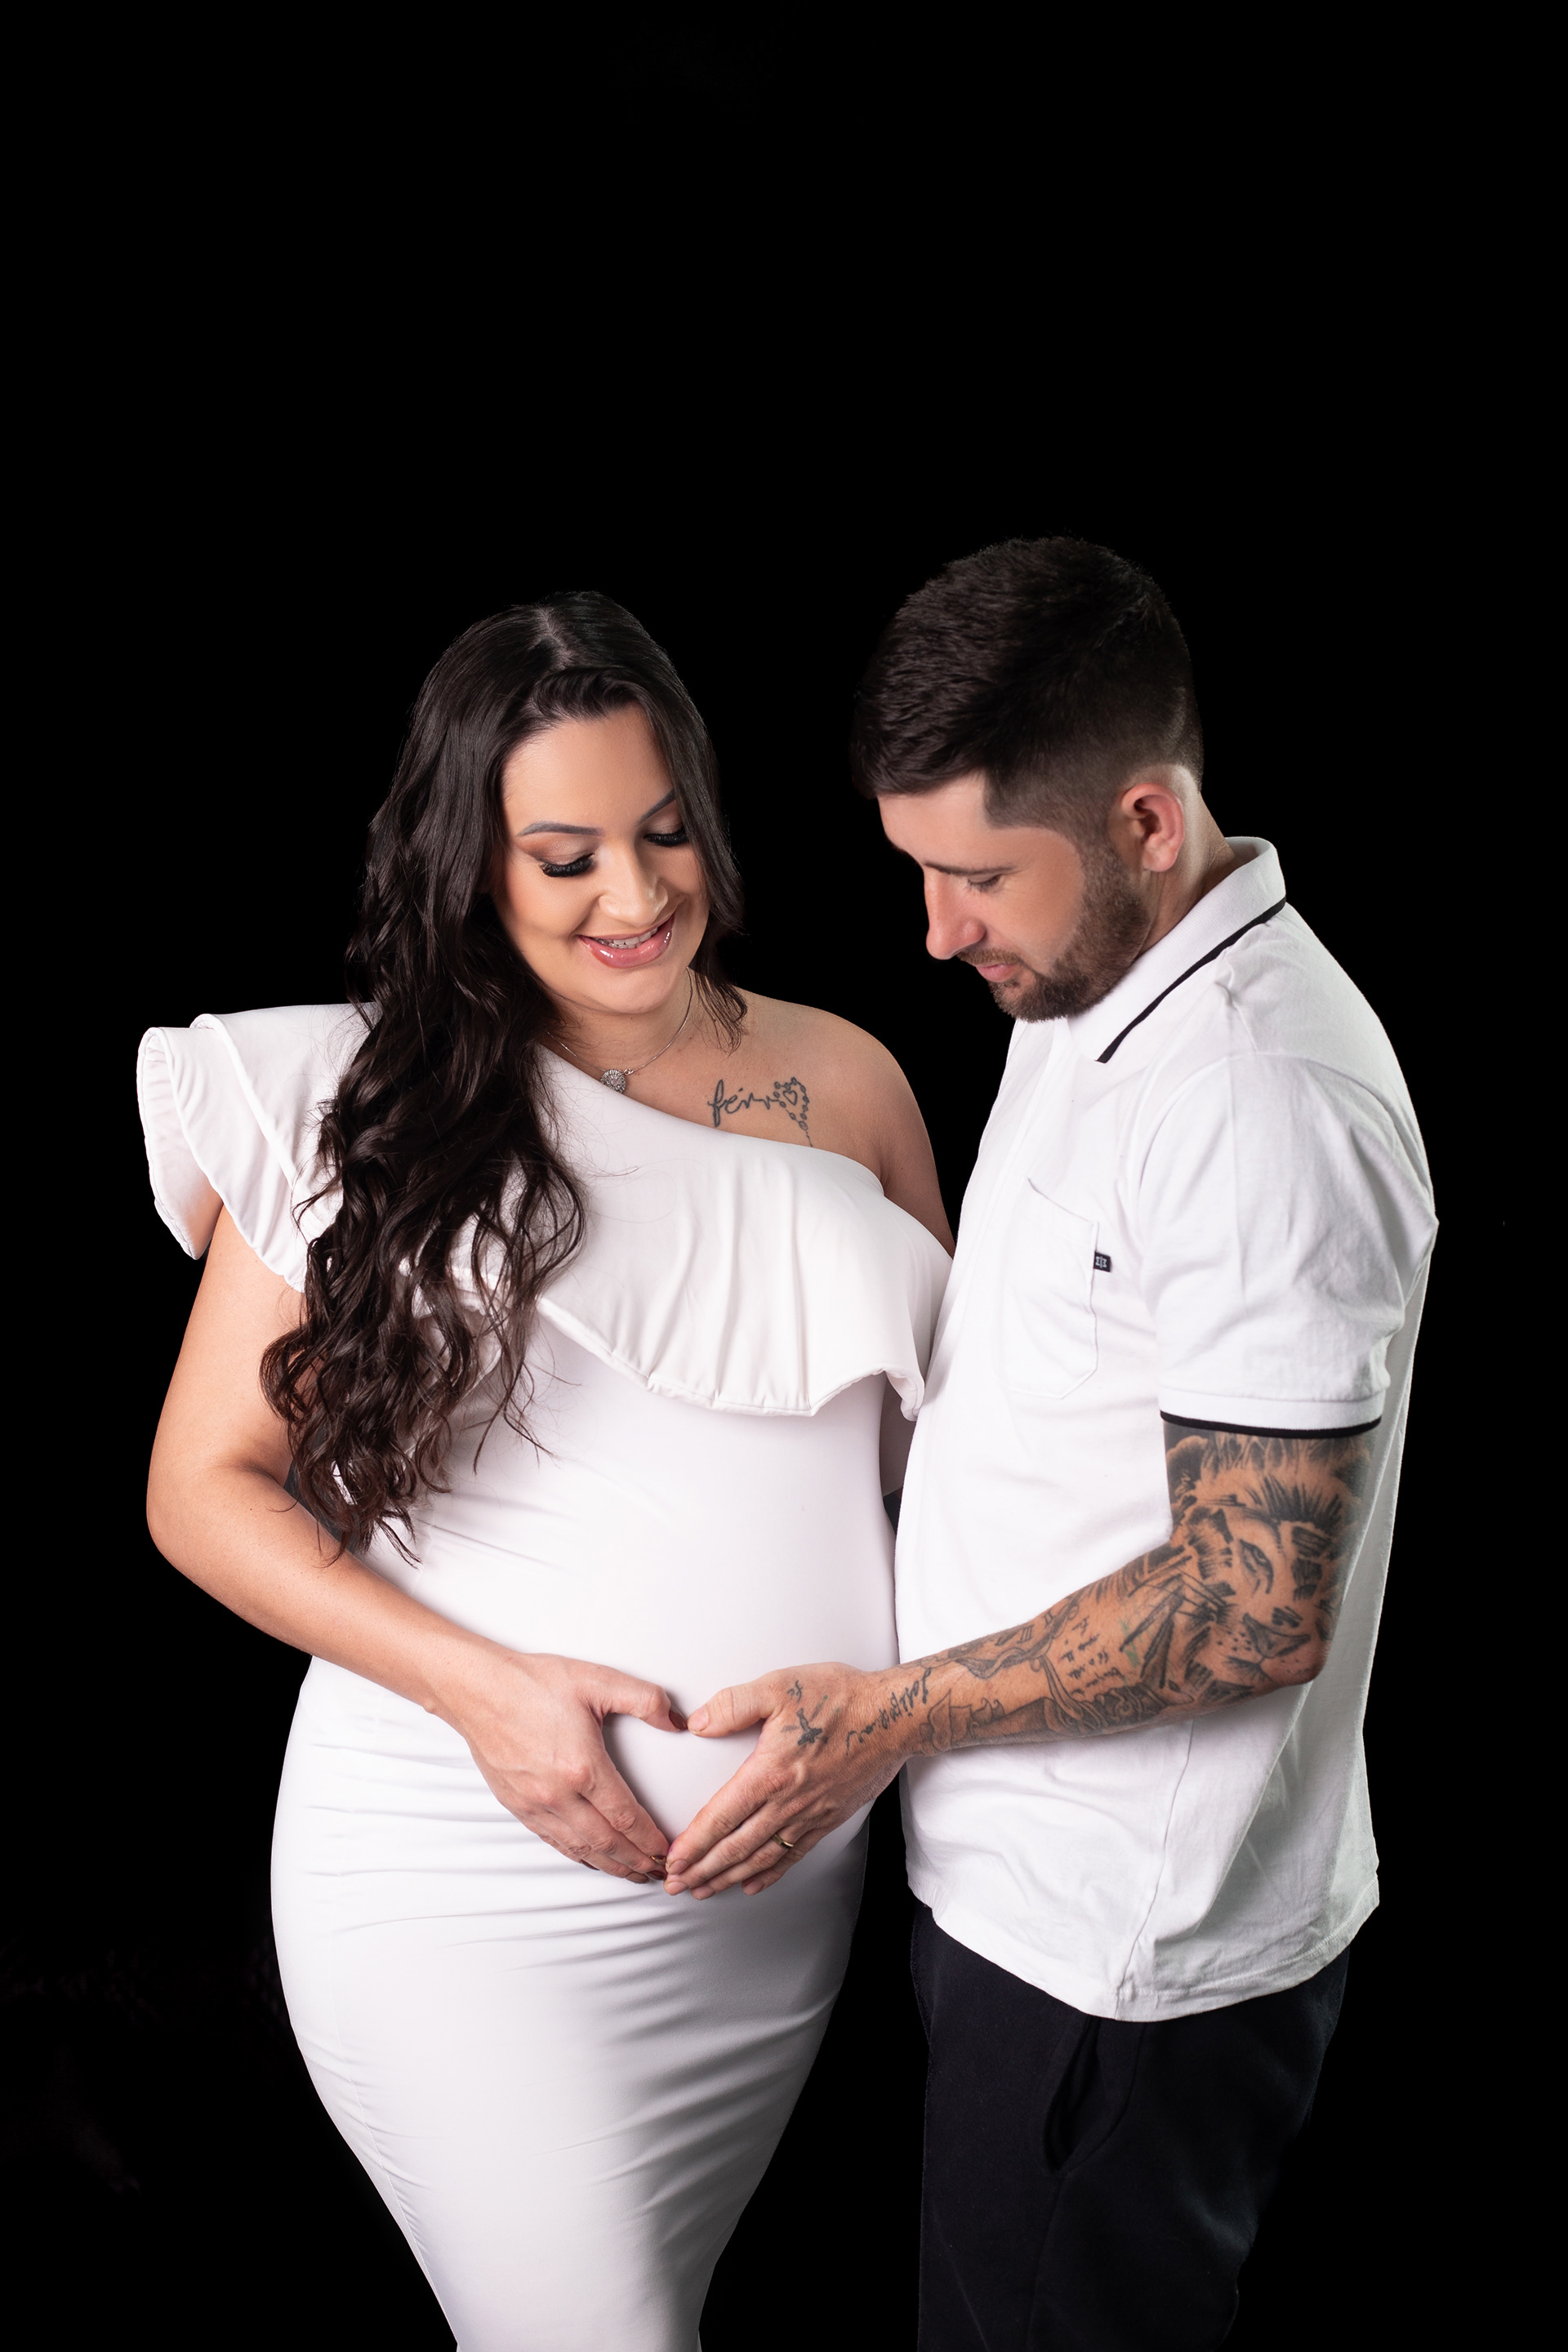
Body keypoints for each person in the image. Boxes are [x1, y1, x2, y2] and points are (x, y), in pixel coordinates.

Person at [140, 594, 952, 2352]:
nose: (635, 895)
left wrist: (889, 1717)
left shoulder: (848, 1081)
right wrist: (492, 1698)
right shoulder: (368, 1100)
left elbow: (944, 1482)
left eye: (664, 834)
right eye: (565, 857)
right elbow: (199, 1486)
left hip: (759, 1906)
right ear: (472, 866)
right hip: (458, 1862)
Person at [662, 539, 1437, 2349]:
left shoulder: (1258, 1098)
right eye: (921, 871)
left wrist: (889, 1716)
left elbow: (1251, 1603)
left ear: (1149, 821)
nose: (938, 931)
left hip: (1123, 1956)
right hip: (1022, 1893)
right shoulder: (1088, 976)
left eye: (977, 875)